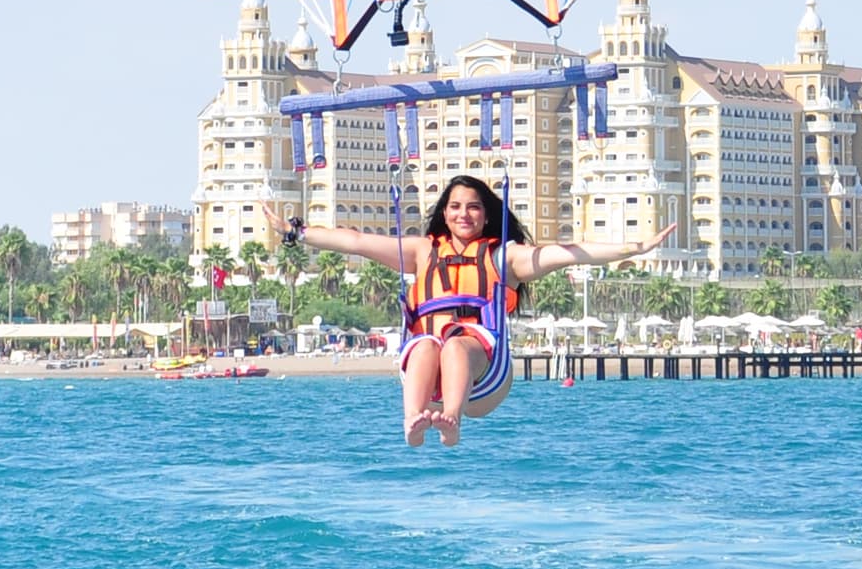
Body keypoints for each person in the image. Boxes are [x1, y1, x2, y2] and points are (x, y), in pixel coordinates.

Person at [273, 178, 675, 446]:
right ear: (444, 213)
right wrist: (298, 232)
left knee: (454, 345)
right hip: (424, 368)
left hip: (485, 375)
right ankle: (414, 419)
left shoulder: (505, 257)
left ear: (487, 214)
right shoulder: (422, 251)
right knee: (428, 344)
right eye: (454, 207)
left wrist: (632, 249)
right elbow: (357, 241)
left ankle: (451, 420)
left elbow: (566, 254)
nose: (463, 214)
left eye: (473, 207)